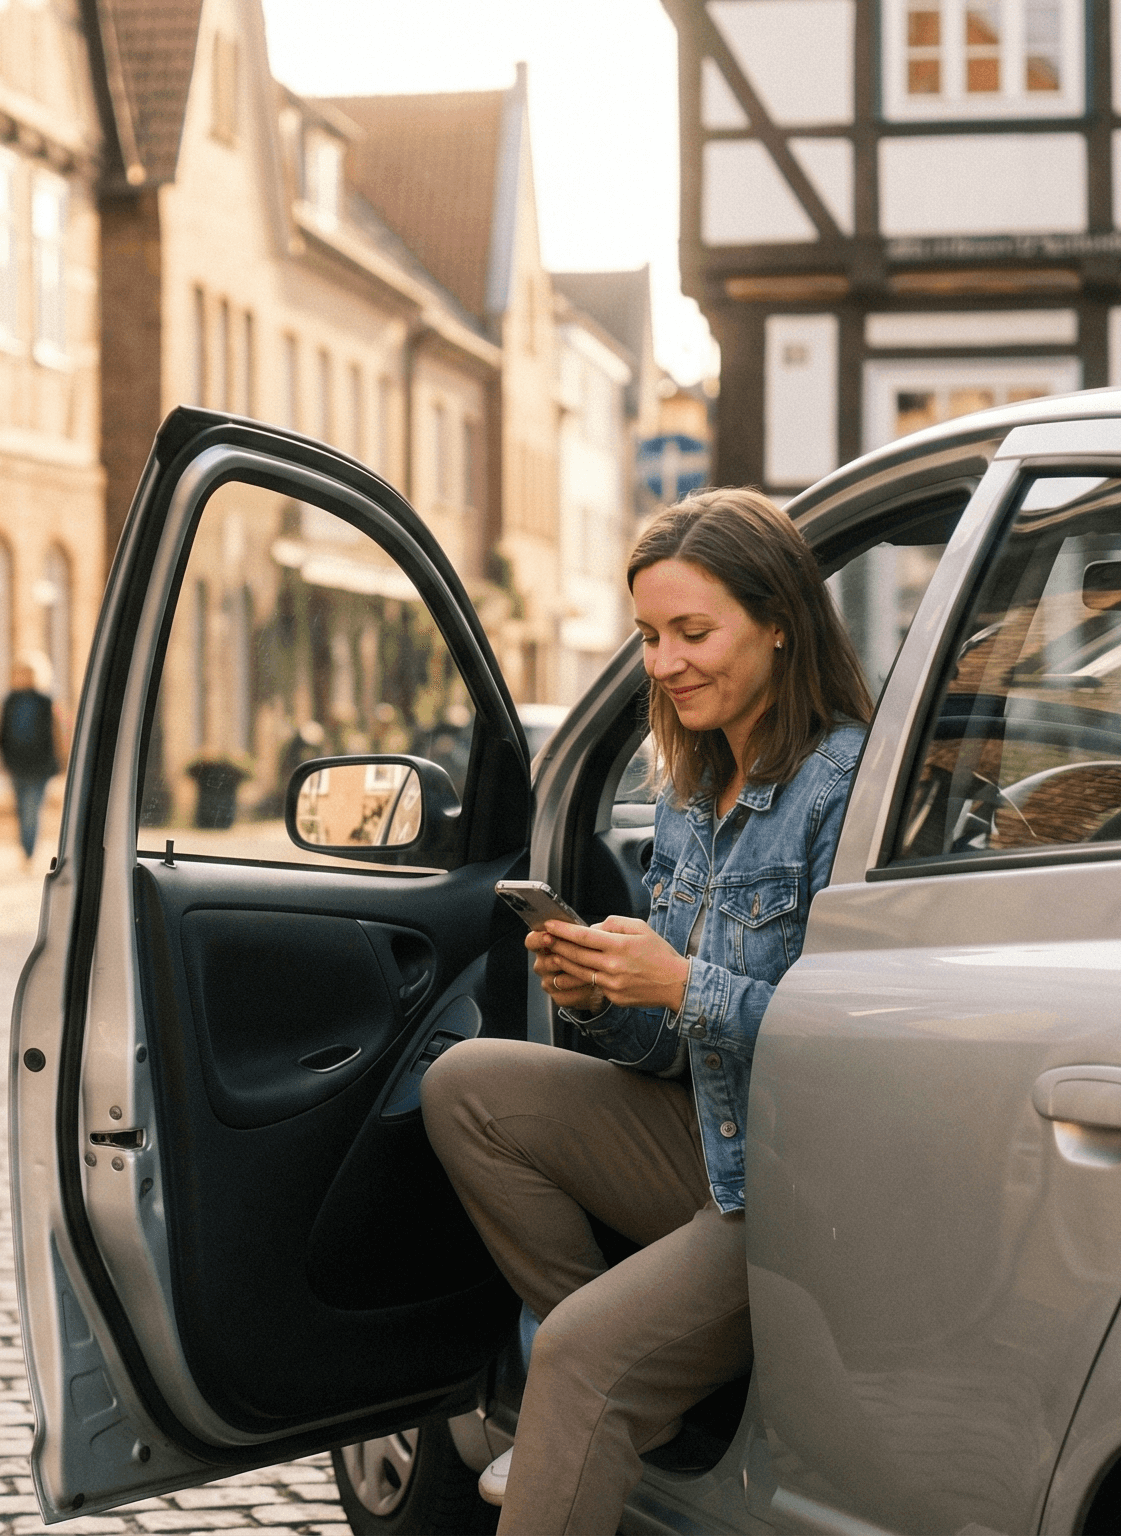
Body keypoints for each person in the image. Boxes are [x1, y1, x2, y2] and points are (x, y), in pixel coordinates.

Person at [421, 488, 874, 1536]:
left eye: (692, 632)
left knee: (578, 1351)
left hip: (799, 1185)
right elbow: (669, 1052)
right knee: (467, 1085)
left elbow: (854, 1045)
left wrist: (682, 984)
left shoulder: (842, 786)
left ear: (778, 622)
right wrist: (601, 998)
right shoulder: (686, 786)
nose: (663, 664)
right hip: (704, 1138)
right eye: (648, 636)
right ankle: (644, 1380)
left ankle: (608, 1377)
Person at [0, 660, 66, 860]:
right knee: (20, 808)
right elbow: (1, 731)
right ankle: (25, 846)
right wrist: (1, 756)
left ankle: (28, 850)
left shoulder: (47, 701)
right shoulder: (9, 701)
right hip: (16, 763)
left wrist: (62, 759)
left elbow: (59, 732)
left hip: (40, 765)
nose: (23, 678)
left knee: (32, 809)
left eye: (28, 673)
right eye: (20, 673)